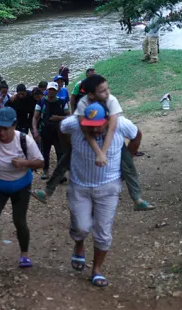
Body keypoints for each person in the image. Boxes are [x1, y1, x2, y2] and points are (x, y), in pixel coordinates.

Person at [34, 75, 154, 211]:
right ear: (90, 94)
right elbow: (72, 127)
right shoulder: (83, 104)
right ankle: (47, 192)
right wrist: (69, 147)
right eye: (101, 90)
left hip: (112, 137)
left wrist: (128, 154)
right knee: (65, 160)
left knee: (129, 166)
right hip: (89, 131)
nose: (106, 92)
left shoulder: (111, 102)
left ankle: (137, 198)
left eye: (106, 89)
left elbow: (126, 130)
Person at [61, 103, 142, 287]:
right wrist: (69, 150)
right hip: (79, 185)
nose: (96, 129)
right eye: (91, 125)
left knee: (103, 232)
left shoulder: (120, 124)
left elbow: (137, 135)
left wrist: (126, 162)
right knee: (81, 227)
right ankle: (79, 244)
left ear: (107, 120)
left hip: (109, 187)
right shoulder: (74, 124)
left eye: (99, 124)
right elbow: (62, 129)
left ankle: (96, 269)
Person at [0, 107, 44, 270]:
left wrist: (25, 163)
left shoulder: (24, 141)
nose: (1, 132)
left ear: (14, 125)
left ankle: (24, 256)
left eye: (5, 128)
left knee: (19, 221)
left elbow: (40, 162)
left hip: (21, 185)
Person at [32, 82, 69, 180]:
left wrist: (59, 117)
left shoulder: (62, 102)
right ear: (46, 90)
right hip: (45, 131)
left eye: (53, 90)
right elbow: (35, 117)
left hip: (59, 132)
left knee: (60, 152)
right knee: (45, 152)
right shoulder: (41, 102)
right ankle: (45, 171)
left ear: (57, 91)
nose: (51, 92)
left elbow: (69, 116)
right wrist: (35, 130)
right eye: (50, 90)